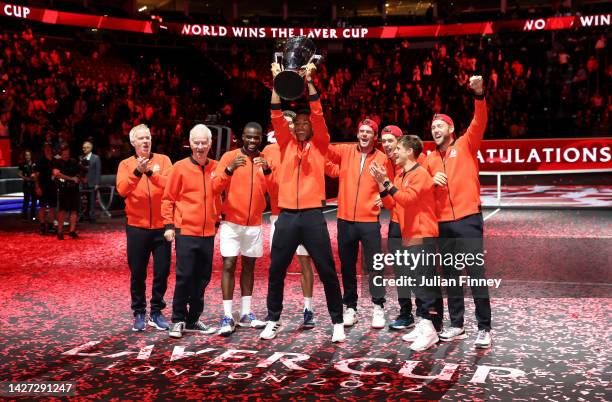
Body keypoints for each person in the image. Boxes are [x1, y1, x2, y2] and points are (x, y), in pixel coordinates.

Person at [261, 62, 345, 343]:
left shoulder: (320, 144)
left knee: (327, 270)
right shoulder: (285, 144)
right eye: (296, 124)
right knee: (276, 270)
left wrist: (308, 81)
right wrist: (276, 83)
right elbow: (275, 114)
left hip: (311, 216)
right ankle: (273, 319)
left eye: (304, 124)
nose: (299, 127)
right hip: (286, 216)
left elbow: (318, 112)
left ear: (310, 128)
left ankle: (337, 321)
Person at [425, 75, 492, 349]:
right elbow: (419, 188)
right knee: (450, 274)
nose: (435, 129)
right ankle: (457, 324)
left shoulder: (465, 145)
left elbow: (480, 121)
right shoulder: (428, 159)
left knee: (475, 272)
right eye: (432, 127)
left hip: (467, 219)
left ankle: (485, 327)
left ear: (451, 130)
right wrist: (430, 182)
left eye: (439, 125)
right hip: (442, 223)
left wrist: (479, 95)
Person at [371, 135, 442, 351]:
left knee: (422, 282)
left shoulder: (420, 173)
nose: (394, 152)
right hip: (409, 233)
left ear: (410, 151)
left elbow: (408, 200)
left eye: (399, 148)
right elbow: (393, 203)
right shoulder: (402, 174)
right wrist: (382, 186)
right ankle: (422, 323)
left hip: (422, 233)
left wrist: (386, 182)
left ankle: (429, 330)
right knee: (415, 280)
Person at [162, 124, 226, 339]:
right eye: (196, 142)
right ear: (190, 143)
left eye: (204, 142)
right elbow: (168, 198)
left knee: (203, 278)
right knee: (184, 276)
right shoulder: (179, 168)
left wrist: (219, 218)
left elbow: (221, 195)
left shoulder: (216, 167)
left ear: (210, 144)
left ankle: (193, 319)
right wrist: (169, 226)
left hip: (208, 232)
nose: (200, 146)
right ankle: (177, 319)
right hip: (185, 230)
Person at [326, 119, 389, 329]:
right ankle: (350, 307)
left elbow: (391, 181)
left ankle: (378, 307)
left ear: (375, 137)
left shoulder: (382, 157)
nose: (364, 135)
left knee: (375, 266)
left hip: (369, 220)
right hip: (345, 220)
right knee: (347, 267)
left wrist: (385, 194)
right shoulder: (344, 151)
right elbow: (323, 148)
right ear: (357, 133)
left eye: (368, 132)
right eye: (361, 131)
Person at [214, 122, 270, 336]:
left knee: (249, 267)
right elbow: (215, 187)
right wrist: (229, 170)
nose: (252, 141)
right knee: (229, 264)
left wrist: (268, 168)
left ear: (261, 138)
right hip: (231, 222)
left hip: (254, 223)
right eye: (249, 137)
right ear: (241, 137)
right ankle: (227, 315)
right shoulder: (229, 157)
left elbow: (272, 188)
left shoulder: (263, 159)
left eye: (256, 137)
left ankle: (246, 313)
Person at [116, 124, 173, 332]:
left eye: (148, 137)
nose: (145, 141)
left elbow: (169, 186)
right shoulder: (125, 164)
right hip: (137, 228)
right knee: (138, 273)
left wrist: (149, 172)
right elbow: (122, 190)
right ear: (133, 143)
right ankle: (139, 311)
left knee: (162, 272)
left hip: (162, 227)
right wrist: (137, 173)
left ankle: (156, 312)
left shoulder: (164, 160)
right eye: (141, 138)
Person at [263, 120, 316, 329]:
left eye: (290, 124)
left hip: (303, 213)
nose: (287, 128)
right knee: (278, 267)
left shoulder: (304, 147)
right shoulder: (269, 150)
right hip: (279, 214)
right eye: (282, 124)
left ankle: (308, 308)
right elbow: (271, 187)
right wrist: (267, 173)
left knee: (305, 263)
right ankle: (274, 315)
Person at [52, 145, 80, 240]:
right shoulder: (57, 162)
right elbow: (56, 174)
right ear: (61, 154)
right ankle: (60, 231)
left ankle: (72, 231)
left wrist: (80, 178)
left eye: (67, 154)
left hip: (74, 189)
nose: (66, 155)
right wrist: (71, 178)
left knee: (74, 210)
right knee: (62, 210)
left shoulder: (74, 161)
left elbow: (78, 172)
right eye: (64, 154)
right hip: (63, 189)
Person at [34, 143, 57, 235]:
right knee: (42, 207)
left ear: (51, 149)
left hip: (53, 187)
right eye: (46, 148)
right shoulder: (40, 161)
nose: (47, 149)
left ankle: (51, 225)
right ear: (43, 149)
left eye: (49, 148)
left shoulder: (55, 160)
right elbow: (36, 175)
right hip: (43, 187)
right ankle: (42, 225)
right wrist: (37, 187)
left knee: (52, 207)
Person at [81, 141, 101, 223]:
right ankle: (82, 215)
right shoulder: (81, 158)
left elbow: (98, 171)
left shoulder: (96, 158)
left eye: (86, 147)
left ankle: (91, 216)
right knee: (82, 200)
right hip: (82, 182)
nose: (84, 149)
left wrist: (97, 183)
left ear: (90, 148)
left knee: (92, 201)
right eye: (83, 147)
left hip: (92, 182)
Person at [18, 150, 37, 221]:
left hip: (34, 184)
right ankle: (24, 217)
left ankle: (33, 216)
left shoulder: (35, 164)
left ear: (31, 155)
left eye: (28, 155)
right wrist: (25, 178)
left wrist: (35, 175)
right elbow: (19, 174)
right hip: (26, 185)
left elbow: (38, 173)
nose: (27, 156)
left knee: (34, 201)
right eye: (26, 155)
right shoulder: (22, 164)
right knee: (26, 201)